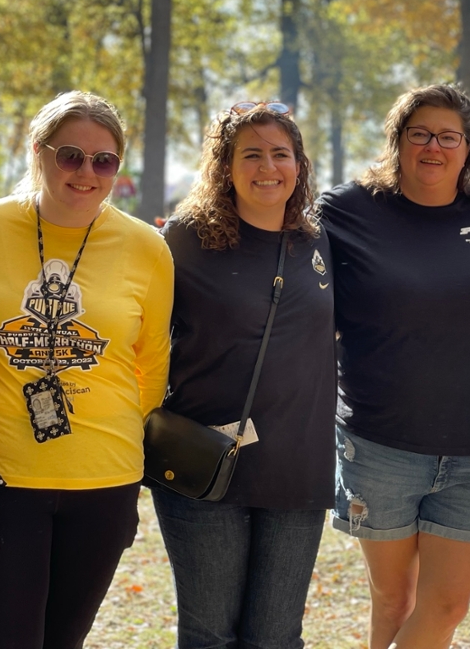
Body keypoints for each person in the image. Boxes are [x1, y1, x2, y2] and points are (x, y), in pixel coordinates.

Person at [319, 84, 470, 648]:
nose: (433, 147)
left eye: (448, 136)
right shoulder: (347, 211)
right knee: (393, 600)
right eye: (420, 134)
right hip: (380, 441)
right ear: (397, 141)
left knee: (446, 605)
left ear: (467, 148)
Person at [0, 91, 174, 649]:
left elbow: (151, 365)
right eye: (70, 156)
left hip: (104, 480)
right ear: (39, 151)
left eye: (104, 161)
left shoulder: (147, 248)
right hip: (0, 480)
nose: (87, 173)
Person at [149, 100, 336, 648]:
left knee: (276, 638)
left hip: (297, 467)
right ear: (224, 166)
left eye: (281, 154)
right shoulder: (185, 239)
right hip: (203, 462)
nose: (267, 167)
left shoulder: (317, 241)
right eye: (250, 154)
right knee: (209, 635)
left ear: (298, 166)